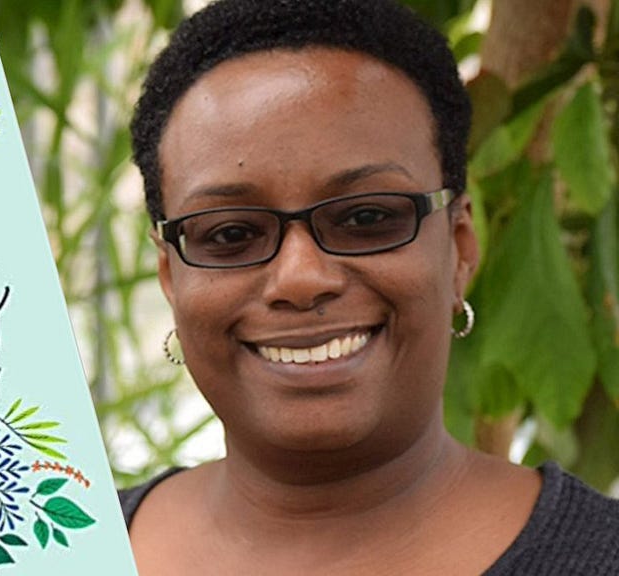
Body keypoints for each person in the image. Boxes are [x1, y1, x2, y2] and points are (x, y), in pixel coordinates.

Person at [121, 0, 619, 574]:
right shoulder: (41, 550)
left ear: (459, 247)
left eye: (365, 219)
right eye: (230, 233)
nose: (301, 279)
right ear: (170, 277)